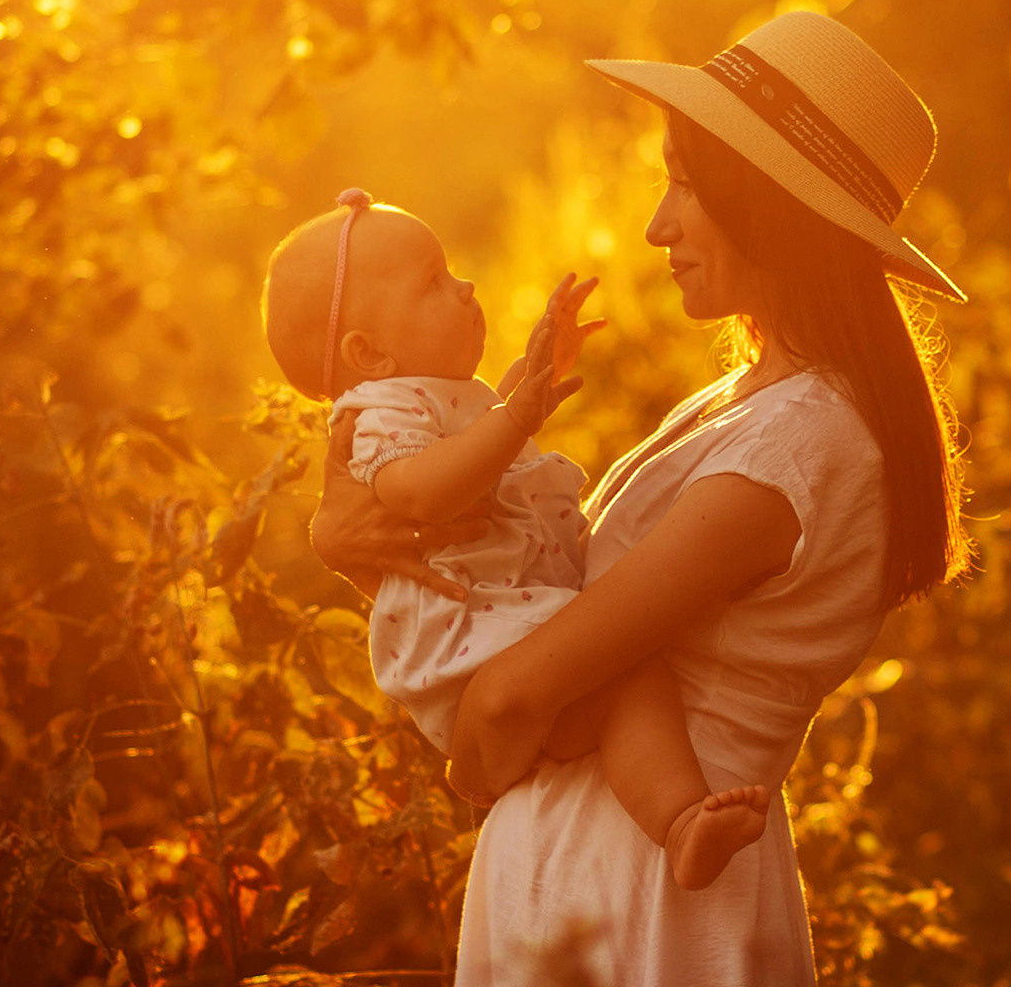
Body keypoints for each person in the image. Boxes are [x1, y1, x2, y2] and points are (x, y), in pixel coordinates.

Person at [310, 11, 971, 987]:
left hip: (648, 887)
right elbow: (513, 614)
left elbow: (521, 697)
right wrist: (368, 548)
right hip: (600, 868)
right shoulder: (744, 405)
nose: (659, 224)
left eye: (686, 185)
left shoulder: (794, 449)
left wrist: (476, 746)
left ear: (772, 208)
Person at [262, 190, 773, 888]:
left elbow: (479, 434)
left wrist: (537, 374)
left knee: (614, 694)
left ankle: (679, 823)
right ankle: (680, 819)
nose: (464, 287)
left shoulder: (426, 396)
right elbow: (421, 491)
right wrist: (514, 417)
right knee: (631, 674)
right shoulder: (378, 415)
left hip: (500, 629)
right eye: (434, 283)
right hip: (471, 630)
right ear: (368, 352)